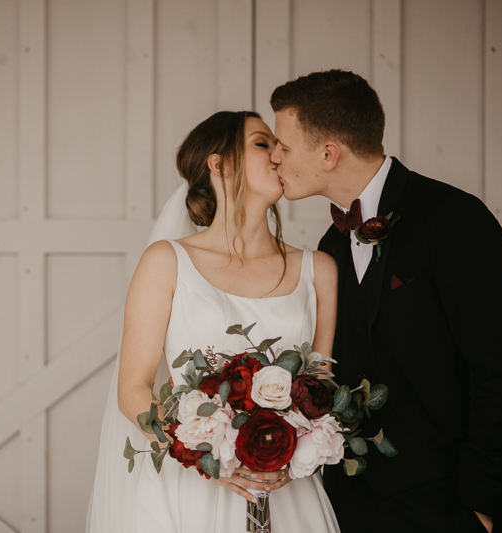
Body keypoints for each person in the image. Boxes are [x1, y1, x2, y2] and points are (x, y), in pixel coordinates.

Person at [269, 69, 502, 533]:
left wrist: (480, 508)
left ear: (328, 153)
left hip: (455, 496)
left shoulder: (454, 219)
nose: (274, 157)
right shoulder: (330, 245)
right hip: (362, 502)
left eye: (283, 145)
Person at [86, 111, 340, 532]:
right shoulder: (167, 262)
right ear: (218, 164)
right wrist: (207, 457)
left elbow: (321, 385)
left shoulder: (319, 270)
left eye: (278, 145)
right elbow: (132, 388)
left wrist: (294, 454)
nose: (278, 154)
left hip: (284, 489)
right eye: (262, 143)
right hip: (191, 488)